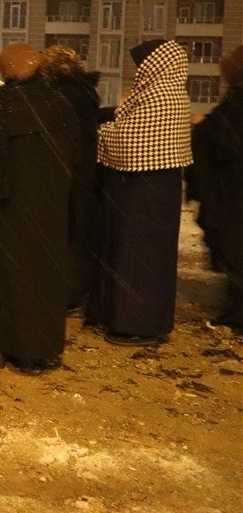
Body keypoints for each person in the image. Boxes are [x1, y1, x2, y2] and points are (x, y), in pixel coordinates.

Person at [0, 43, 80, 373]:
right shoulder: (60, 105)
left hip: (3, 211)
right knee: (38, 282)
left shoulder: (2, 107)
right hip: (47, 211)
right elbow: (75, 161)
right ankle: (34, 353)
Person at [90, 39, 193, 346]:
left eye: (143, 64)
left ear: (157, 64)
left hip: (145, 190)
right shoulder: (164, 92)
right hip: (152, 189)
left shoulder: (161, 96)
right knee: (147, 258)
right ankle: (145, 321)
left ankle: (136, 324)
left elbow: (129, 139)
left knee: (138, 258)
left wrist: (103, 130)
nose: (139, 71)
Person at [38, 45, 102, 312]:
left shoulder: (62, 95)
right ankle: (73, 293)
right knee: (78, 234)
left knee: (65, 235)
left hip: (67, 172)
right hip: (82, 172)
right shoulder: (84, 91)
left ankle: (65, 295)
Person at [187, 45, 243, 333]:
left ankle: (237, 315)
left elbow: (213, 151)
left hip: (232, 198)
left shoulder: (231, 111)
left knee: (235, 255)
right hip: (230, 195)